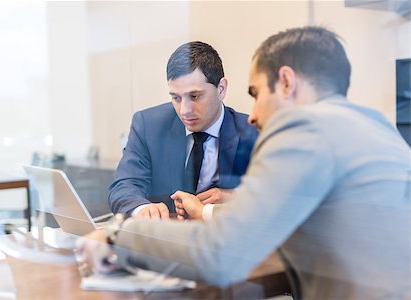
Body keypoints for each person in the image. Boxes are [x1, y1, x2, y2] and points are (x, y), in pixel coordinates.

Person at [79, 26, 411, 299]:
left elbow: (221, 255)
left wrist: (118, 235)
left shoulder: (304, 130)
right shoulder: (377, 126)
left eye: (255, 93)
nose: (252, 115)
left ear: (285, 81)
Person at [109, 41, 257, 219]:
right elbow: (124, 186)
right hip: (166, 239)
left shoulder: (253, 131)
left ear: (221, 89)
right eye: (176, 97)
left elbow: (276, 193)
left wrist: (236, 197)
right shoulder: (148, 125)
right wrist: (141, 208)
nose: (184, 110)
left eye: (195, 96)